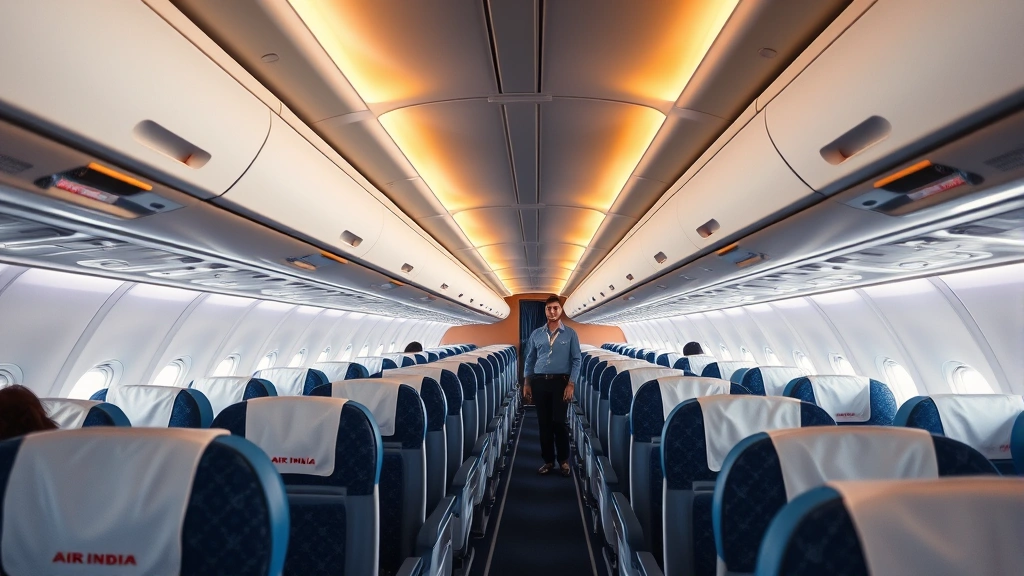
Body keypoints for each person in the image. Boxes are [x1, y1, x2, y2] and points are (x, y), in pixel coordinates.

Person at [522, 295, 581, 477]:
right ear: (545, 311)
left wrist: (571, 384)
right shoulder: (536, 334)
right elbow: (530, 359)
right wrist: (527, 382)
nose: (552, 311)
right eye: (549, 309)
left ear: (560, 310)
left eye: (555, 308)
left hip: (560, 383)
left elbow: (577, 360)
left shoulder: (570, 334)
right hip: (540, 381)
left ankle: (563, 461)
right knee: (544, 423)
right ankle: (548, 461)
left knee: (559, 423)